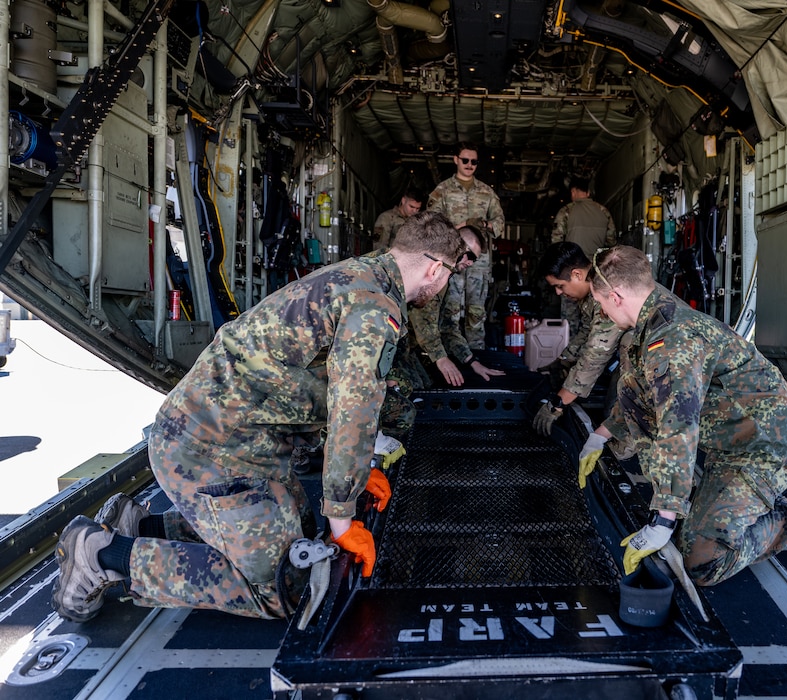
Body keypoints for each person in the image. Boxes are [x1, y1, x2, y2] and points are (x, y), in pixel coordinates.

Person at [51, 211, 466, 622]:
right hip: (211, 447)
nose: (445, 284)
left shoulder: (361, 276)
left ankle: (141, 527)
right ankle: (100, 555)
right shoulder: (376, 307)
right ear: (434, 269)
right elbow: (351, 408)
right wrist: (343, 514)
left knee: (301, 531)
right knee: (287, 584)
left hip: (239, 436)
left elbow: (309, 384)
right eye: (449, 275)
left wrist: (353, 477)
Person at [579, 245, 787, 586]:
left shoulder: (672, 342)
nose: (601, 312)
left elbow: (678, 427)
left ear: (615, 297)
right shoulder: (649, 326)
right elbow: (641, 394)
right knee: (691, 533)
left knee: (702, 560)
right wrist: (601, 435)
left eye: (600, 304)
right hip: (731, 440)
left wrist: (664, 518)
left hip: (765, 447)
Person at [531, 242, 625, 436]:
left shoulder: (605, 290)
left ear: (577, 275)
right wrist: (562, 361)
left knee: (614, 417)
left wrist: (557, 403)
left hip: (666, 352)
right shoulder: (593, 290)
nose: (558, 292)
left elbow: (596, 356)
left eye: (560, 286)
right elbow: (586, 332)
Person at [428, 142, 505, 349]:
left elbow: (500, 223)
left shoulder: (486, 193)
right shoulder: (442, 191)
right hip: (451, 259)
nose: (469, 164)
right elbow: (432, 224)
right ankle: (452, 353)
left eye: (474, 161)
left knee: (477, 311)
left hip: (479, 262)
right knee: (450, 309)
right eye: (465, 160)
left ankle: (476, 354)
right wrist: (462, 225)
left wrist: (486, 224)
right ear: (456, 160)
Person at [408, 225, 505, 387]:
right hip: (390, 343)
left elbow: (448, 327)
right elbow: (423, 321)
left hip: (410, 346)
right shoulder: (431, 268)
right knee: (413, 392)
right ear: (457, 245)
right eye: (470, 256)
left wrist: (471, 361)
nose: (470, 263)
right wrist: (441, 358)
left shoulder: (447, 278)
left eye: (474, 260)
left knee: (426, 385)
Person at [550, 177, 616, 333]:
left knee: (570, 320)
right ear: (588, 192)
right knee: (597, 318)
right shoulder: (604, 212)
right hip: (597, 275)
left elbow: (556, 244)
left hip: (570, 274)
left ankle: (571, 350)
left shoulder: (567, 211)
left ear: (573, 191)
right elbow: (611, 243)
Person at [373, 186, 425, 252]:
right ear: (403, 201)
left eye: (417, 208)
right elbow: (379, 246)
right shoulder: (386, 218)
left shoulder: (417, 222)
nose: (414, 211)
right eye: (411, 206)